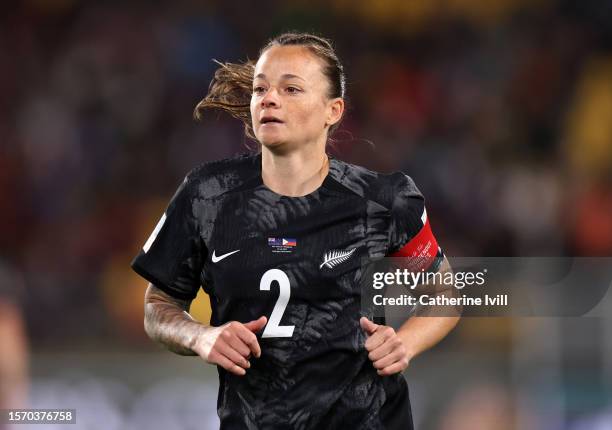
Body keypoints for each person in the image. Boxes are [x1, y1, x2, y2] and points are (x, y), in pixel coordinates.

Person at [131, 32, 460, 429]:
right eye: (260, 88)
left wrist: (404, 343)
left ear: (332, 110)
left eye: (291, 88)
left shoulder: (383, 200)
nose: (269, 98)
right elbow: (158, 307)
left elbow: (445, 293)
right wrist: (201, 337)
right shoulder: (208, 196)